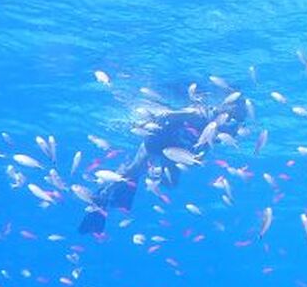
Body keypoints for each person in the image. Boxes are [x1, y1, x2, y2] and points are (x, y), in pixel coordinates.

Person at [78, 92, 246, 234]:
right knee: (134, 169)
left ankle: (129, 184)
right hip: (159, 140)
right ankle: (100, 198)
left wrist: (197, 156)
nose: (232, 123)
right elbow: (170, 114)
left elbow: (206, 144)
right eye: (233, 117)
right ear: (226, 109)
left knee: (170, 183)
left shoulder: (225, 128)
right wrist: (147, 122)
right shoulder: (199, 114)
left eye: (237, 120)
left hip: (176, 149)